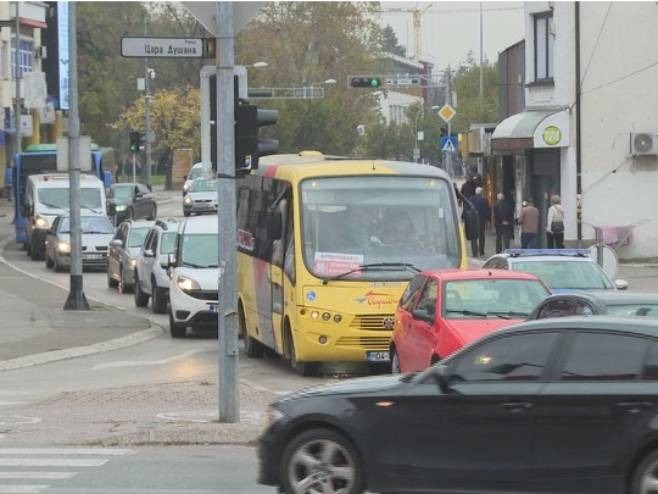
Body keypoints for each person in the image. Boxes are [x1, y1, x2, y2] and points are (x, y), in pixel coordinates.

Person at [470, 187, 490, 257]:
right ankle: (481, 252)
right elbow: (487, 210)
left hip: (473, 221)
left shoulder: (471, 199)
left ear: (476, 192)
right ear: (481, 193)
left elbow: (468, 209)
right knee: (482, 236)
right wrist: (488, 220)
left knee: (473, 237)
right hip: (482, 220)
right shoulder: (485, 200)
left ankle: (474, 253)